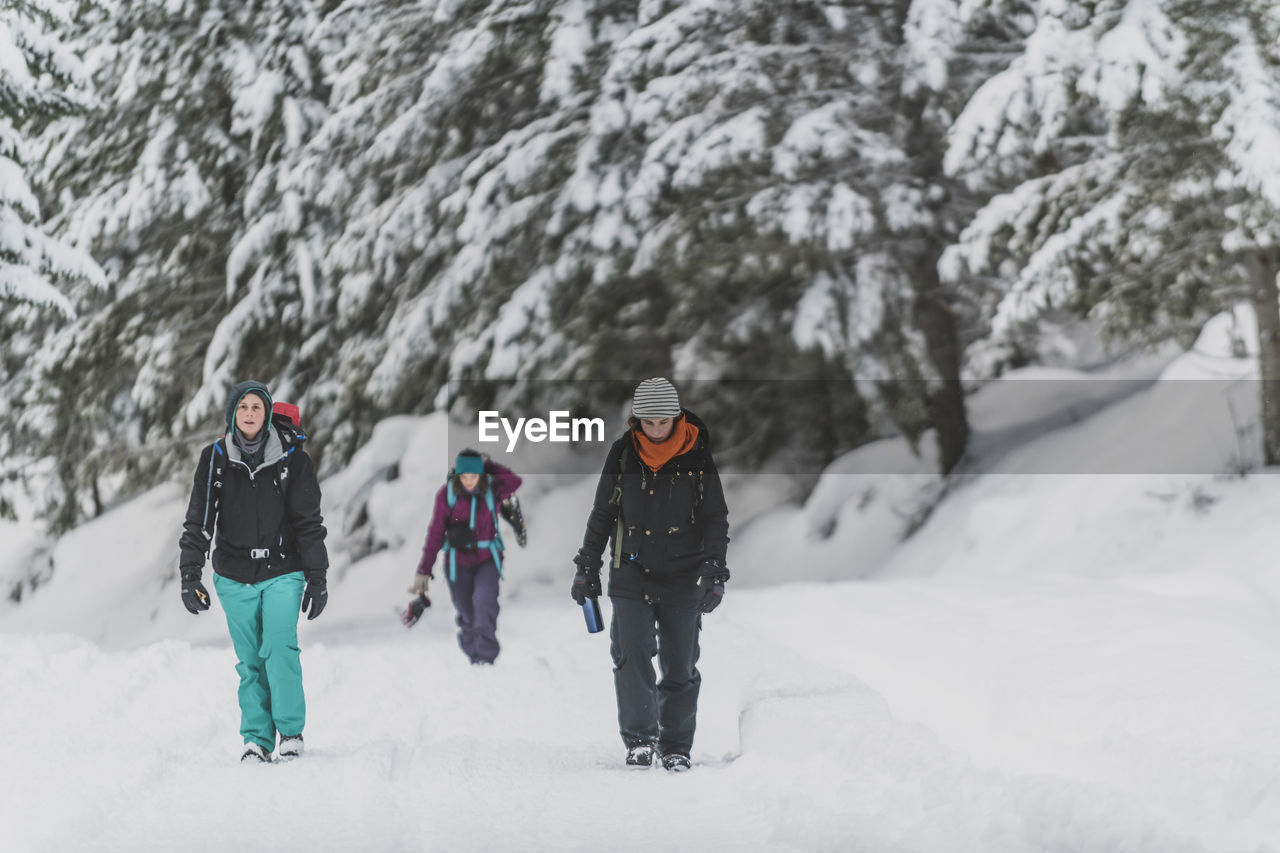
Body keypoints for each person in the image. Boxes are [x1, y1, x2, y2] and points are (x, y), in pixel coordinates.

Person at [572, 377, 729, 772]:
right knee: (633, 655)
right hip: (631, 572)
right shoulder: (623, 455)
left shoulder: (696, 455)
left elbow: (714, 517)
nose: (656, 430)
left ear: (676, 417)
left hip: (683, 573)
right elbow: (603, 514)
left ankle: (676, 746)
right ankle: (641, 740)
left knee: (680, 664)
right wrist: (587, 567)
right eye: (648, 422)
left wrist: (714, 569)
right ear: (635, 420)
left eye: (663, 421)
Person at [178, 380, 329, 763]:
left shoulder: (291, 459)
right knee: (250, 661)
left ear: (267, 413)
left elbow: (308, 522)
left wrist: (317, 576)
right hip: (234, 575)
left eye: (256, 407)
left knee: (280, 648)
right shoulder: (214, 458)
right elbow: (199, 521)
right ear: (232, 414)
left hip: (283, 570)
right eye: (242, 407)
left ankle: (291, 733)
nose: (249, 414)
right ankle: (257, 739)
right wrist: (190, 573)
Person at [407, 449, 522, 665]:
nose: (469, 481)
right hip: (457, 563)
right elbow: (435, 534)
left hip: (487, 558)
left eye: (474, 475)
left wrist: (490, 466)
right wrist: (424, 570)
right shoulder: (447, 495)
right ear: (458, 475)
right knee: (467, 614)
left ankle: (487, 658)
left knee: (484, 601)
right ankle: (473, 655)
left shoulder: (492, 490)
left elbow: (514, 482)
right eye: (464, 476)